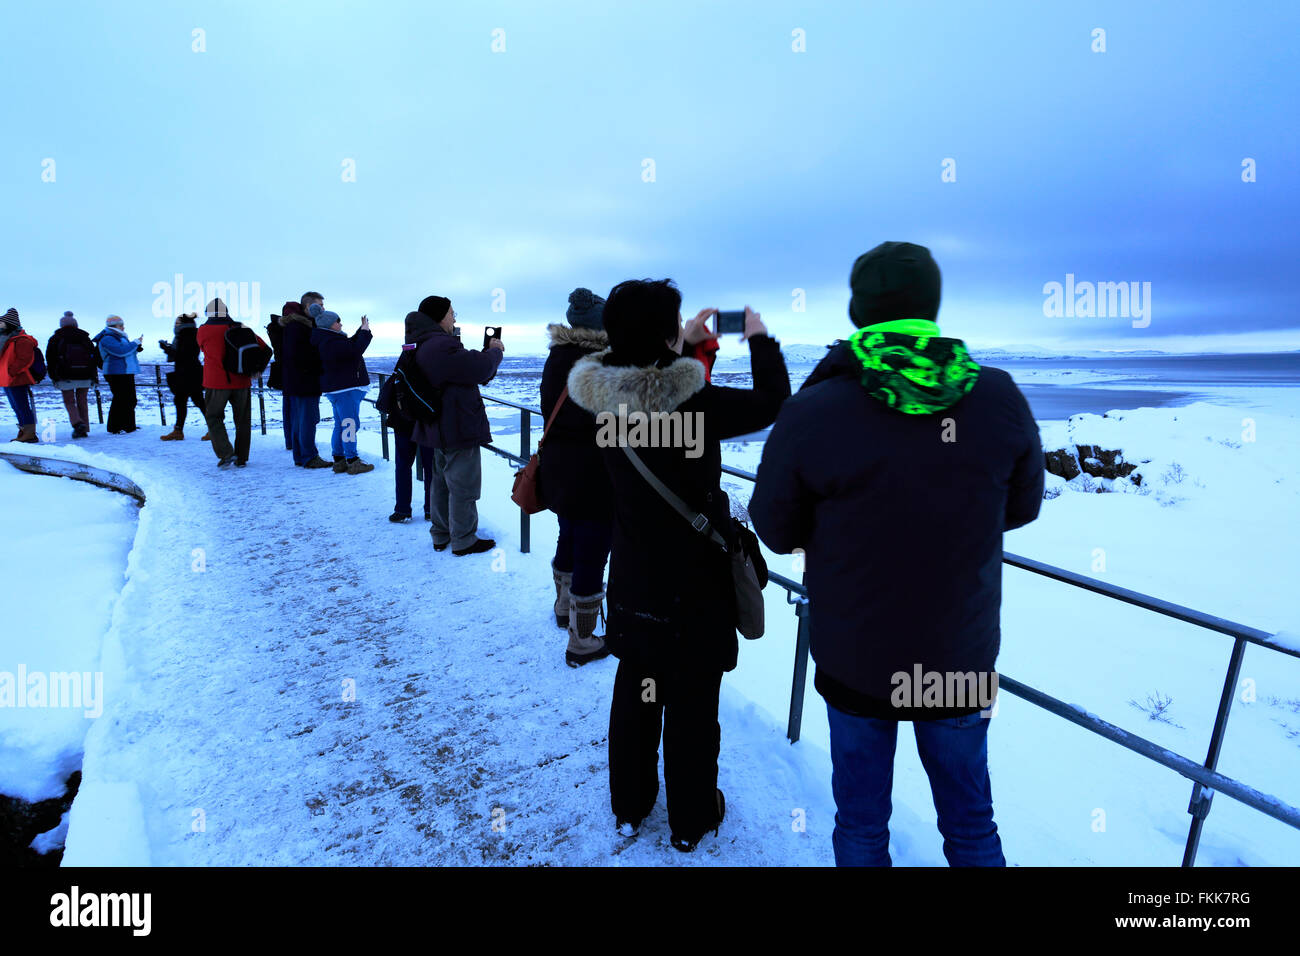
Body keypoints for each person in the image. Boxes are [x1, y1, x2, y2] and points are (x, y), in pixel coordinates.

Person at [749, 241, 1045, 868]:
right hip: (958, 657)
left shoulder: (816, 407)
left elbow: (773, 526)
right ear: (931, 307)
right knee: (971, 827)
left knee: (860, 825)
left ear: (859, 311)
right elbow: (1020, 508)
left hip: (856, 659)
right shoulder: (997, 396)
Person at [565, 279, 789, 851]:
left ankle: (630, 805)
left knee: (638, 694)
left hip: (636, 579)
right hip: (696, 588)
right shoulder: (699, 403)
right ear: (667, 332)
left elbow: (648, 395)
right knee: (692, 703)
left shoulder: (597, 402)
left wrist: (679, 351)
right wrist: (758, 338)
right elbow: (771, 403)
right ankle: (692, 820)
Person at [539, 288, 614, 666]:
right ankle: (582, 641)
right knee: (592, 552)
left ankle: (563, 606)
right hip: (594, 474)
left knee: (568, 534)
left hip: (558, 470)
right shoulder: (603, 363)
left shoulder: (558, 356)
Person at [409, 296, 502, 556]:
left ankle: (441, 534)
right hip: (456, 425)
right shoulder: (439, 345)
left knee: (440, 482)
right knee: (463, 485)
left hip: (438, 426)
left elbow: (464, 370)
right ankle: (464, 540)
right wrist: (495, 351)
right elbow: (480, 369)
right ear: (439, 317)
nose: (455, 318)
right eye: (451, 313)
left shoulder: (423, 342)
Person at [196, 297, 267, 468]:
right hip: (242, 381)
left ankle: (226, 453)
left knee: (213, 417)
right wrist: (257, 369)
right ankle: (242, 458)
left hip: (216, 382)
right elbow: (265, 348)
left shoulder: (203, 331)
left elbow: (203, 349)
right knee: (242, 420)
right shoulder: (240, 327)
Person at [309, 303, 375, 475]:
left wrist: (362, 331)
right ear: (330, 324)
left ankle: (339, 460)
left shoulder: (328, 339)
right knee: (350, 425)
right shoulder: (330, 342)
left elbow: (349, 346)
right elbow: (355, 350)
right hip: (345, 389)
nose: (341, 324)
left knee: (342, 425)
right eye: (338, 321)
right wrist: (365, 333)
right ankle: (353, 461)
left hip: (338, 389)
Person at [385, 312, 436, 522]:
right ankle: (431, 509)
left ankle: (403, 508)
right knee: (431, 467)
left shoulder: (407, 350)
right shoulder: (433, 349)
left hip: (402, 416)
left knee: (403, 464)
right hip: (425, 417)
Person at [280, 293, 330, 469]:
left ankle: (301, 456)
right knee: (308, 420)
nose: (322, 308)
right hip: (305, 381)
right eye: (320, 305)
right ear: (308, 306)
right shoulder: (299, 327)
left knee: (299, 421)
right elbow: (300, 355)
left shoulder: (297, 325)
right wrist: (320, 361)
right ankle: (309, 456)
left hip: (297, 381)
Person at [46, 311, 98, 439]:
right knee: (82, 401)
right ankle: (84, 427)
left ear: (61, 325)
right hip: (85, 374)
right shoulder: (84, 337)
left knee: (69, 401)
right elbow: (94, 357)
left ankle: (77, 423)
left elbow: (50, 359)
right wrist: (93, 376)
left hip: (65, 375)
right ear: (76, 324)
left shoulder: (56, 338)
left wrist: (54, 376)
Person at [158, 313, 208, 441]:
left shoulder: (186, 335)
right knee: (195, 401)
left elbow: (183, 355)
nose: (175, 325)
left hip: (186, 374)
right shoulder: (191, 334)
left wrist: (166, 348)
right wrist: (169, 348)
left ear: (182, 324)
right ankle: (213, 428)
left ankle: (179, 431)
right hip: (191, 373)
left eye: (177, 323)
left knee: (184, 401)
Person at [91, 315, 143, 434]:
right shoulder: (107, 338)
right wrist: (135, 343)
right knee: (121, 399)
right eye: (121, 325)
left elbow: (124, 350)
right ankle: (114, 427)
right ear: (114, 326)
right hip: (115, 372)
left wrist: (136, 347)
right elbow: (120, 352)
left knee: (130, 399)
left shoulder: (119, 337)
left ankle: (129, 425)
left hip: (125, 371)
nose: (123, 327)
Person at [0, 308, 40, 443]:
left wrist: (11, 371)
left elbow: (25, 359)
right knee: (16, 406)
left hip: (17, 378)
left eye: (1, 322)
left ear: (9, 323)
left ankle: (29, 434)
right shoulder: (7, 339)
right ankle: (24, 432)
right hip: (7, 379)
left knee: (22, 406)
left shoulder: (21, 340)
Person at [265, 308, 290, 451]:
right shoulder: (285, 330)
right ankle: (294, 442)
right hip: (292, 373)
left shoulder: (275, 328)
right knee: (294, 409)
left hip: (282, 372)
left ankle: (290, 441)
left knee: (288, 408)